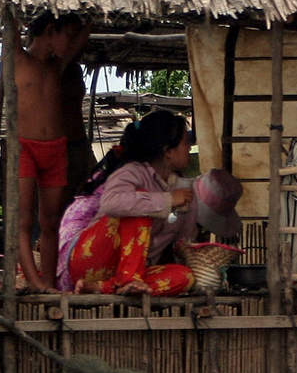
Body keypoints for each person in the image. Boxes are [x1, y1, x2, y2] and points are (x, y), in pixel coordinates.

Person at [62, 109, 198, 295]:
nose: (189, 147)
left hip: (133, 275)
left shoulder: (184, 189)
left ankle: (105, 288)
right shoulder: (133, 172)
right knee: (138, 208)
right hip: (91, 260)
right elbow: (111, 203)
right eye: (185, 142)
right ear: (168, 151)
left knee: (185, 276)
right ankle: (127, 279)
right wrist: (167, 200)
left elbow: (184, 243)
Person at [12, 16, 93, 291]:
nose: (72, 43)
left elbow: (85, 30)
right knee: (23, 219)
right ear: (49, 31)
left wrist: (89, 15)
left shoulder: (58, 65)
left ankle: (49, 282)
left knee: (51, 222)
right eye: (67, 35)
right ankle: (35, 281)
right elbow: (8, 22)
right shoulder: (19, 59)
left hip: (56, 149)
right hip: (25, 147)